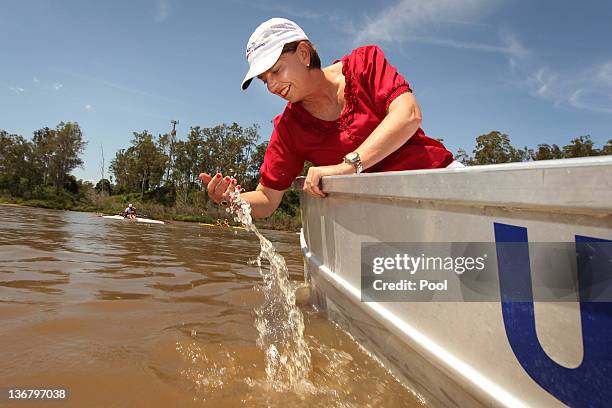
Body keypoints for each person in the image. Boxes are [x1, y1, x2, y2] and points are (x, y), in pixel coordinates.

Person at [199, 18, 462, 218]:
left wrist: (347, 167)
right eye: (264, 80)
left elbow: (408, 115)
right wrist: (231, 198)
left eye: (276, 71)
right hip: (380, 216)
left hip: (445, 187)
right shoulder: (289, 128)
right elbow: (267, 200)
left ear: (303, 53)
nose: (272, 86)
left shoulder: (365, 64)